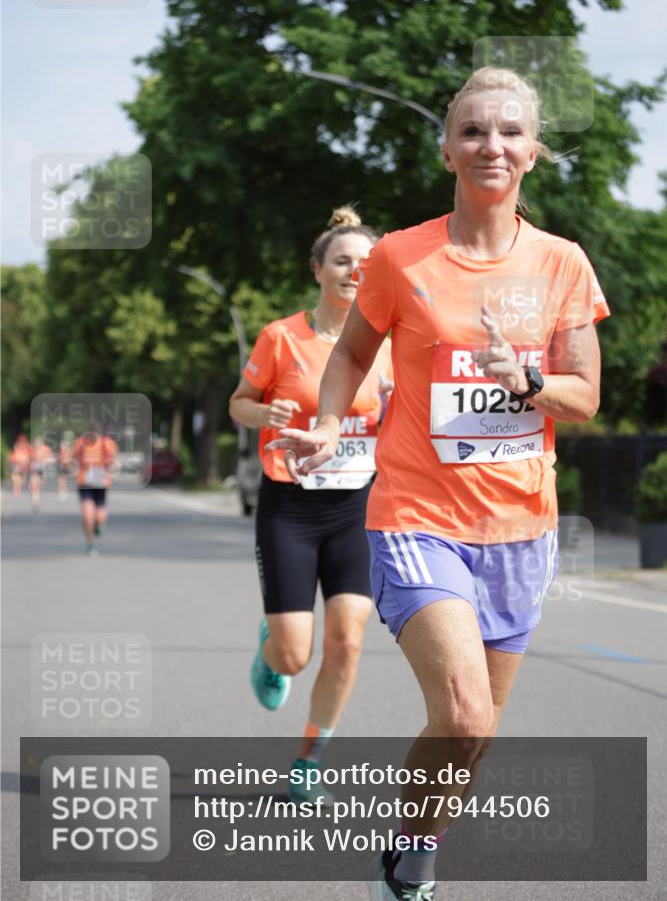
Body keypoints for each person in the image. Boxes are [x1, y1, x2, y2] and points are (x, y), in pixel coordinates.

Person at [268, 68, 610, 899]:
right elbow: (351, 352)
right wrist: (324, 421)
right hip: (416, 516)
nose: (489, 145)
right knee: (461, 715)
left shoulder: (562, 264)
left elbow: (587, 397)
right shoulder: (399, 256)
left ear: (531, 151)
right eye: (471, 131)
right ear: (446, 147)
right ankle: (409, 857)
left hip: (521, 529)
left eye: (506, 132)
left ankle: (413, 840)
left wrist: (524, 380)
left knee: (473, 734)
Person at [229, 205, 393, 804]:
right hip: (290, 507)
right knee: (296, 656)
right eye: (343, 261)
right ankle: (271, 649)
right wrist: (261, 412)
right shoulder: (281, 337)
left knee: (348, 640)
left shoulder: (393, 345)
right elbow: (239, 403)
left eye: (367, 263)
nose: (356, 271)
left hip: (358, 508)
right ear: (318, 270)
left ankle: (309, 761)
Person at [71, 425, 119, 556]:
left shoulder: (108, 444)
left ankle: (98, 526)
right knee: (87, 516)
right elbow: (72, 460)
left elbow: (115, 461)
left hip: (101, 484)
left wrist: (112, 467)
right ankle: (90, 544)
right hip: (85, 484)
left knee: (100, 516)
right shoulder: (79, 443)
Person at [28, 436, 53, 512]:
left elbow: (50, 460)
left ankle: (37, 501)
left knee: (38, 487)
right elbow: (28, 460)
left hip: (41, 471)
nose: (37, 444)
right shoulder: (31, 450)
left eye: (39, 443)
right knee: (34, 487)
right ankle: (35, 502)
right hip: (33, 471)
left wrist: (45, 462)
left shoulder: (46, 450)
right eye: (36, 443)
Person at [8, 434, 31, 498]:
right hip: (15, 467)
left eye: (23, 441)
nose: (21, 443)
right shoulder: (14, 452)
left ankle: (19, 489)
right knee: (15, 480)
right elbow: (11, 459)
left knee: (20, 480)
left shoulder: (26, 448)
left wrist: (26, 463)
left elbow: (28, 457)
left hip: (22, 467)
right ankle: (16, 491)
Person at [56, 431, 74, 502]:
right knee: (60, 480)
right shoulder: (61, 450)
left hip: (66, 466)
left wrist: (69, 464)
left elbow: (71, 458)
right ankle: (61, 492)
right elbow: (59, 458)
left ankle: (64, 492)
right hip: (61, 466)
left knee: (64, 480)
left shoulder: (69, 449)